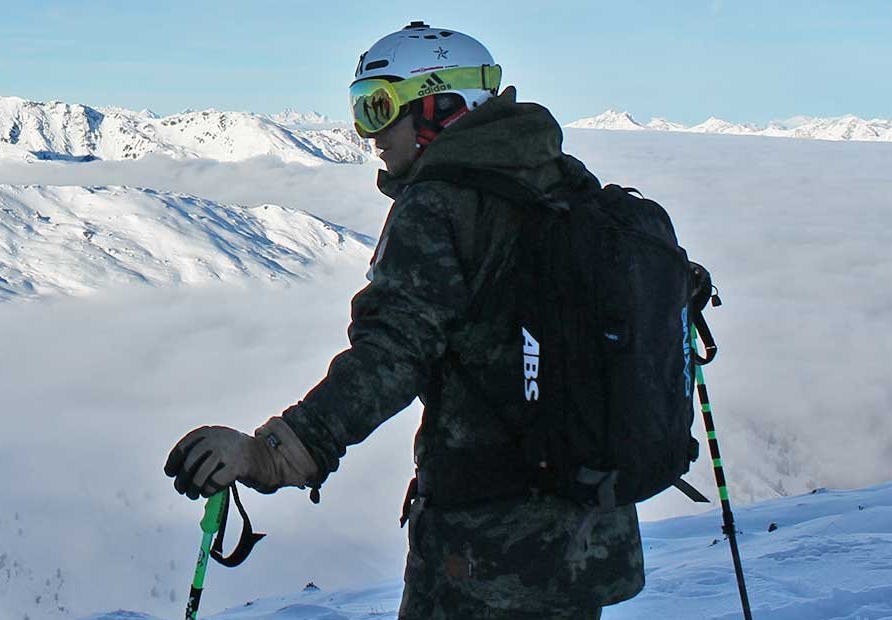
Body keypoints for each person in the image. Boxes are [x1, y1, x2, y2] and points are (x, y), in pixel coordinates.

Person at [164, 22, 646, 619]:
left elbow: (392, 354)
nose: (369, 134)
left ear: (440, 107)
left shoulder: (440, 202)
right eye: (361, 109)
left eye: (379, 107)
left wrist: (276, 454)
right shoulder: (562, 182)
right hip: (592, 532)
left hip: (486, 553)